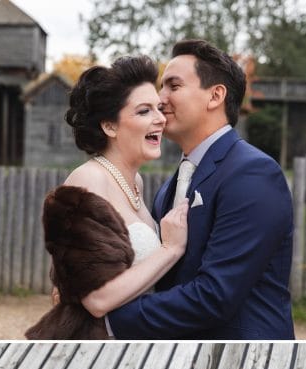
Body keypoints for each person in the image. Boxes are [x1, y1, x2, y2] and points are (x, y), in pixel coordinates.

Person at [105, 39, 295, 339]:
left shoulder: (253, 173)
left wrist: (108, 320)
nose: (160, 99)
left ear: (215, 95)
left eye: (173, 86)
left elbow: (214, 296)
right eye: (161, 87)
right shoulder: (169, 187)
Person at [26, 56, 189, 340]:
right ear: (109, 126)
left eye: (158, 108)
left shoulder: (134, 182)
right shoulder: (89, 180)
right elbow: (97, 299)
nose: (160, 118)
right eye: (144, 111)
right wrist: (171, 249)